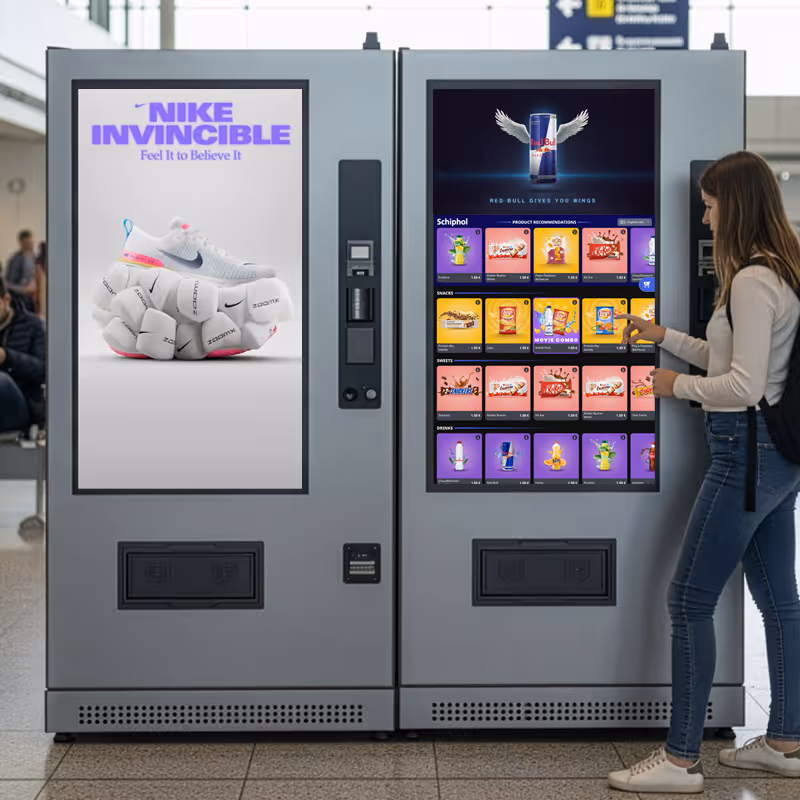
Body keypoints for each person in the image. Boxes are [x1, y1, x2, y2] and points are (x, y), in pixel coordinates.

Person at [607, 151, 800, 794]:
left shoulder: (748, 279)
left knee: (689, 599)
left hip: (743, 454)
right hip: (776, 459)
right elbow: (737, 353)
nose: (706, 215)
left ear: (736, 205)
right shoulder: (779, 272)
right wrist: (662, 333)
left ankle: (680, 759)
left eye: (712, 203)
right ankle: (784, 743)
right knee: (780, 604)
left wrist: (673, 386)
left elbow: (742, 385)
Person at [0, 274, 45, 434]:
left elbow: (43, 370)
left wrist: (7, 357)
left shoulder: (33, 326)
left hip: (24, 404)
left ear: (6, 300)